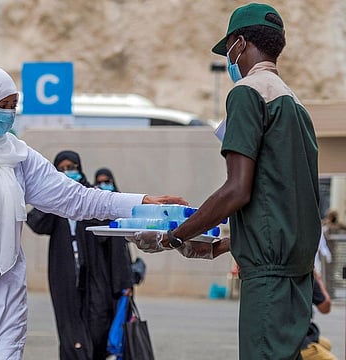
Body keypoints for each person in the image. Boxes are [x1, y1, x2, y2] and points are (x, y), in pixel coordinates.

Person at [0, 65, 185, 359]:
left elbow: (78, 199)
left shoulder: (18, 156)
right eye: (0, 105)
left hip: (4, 289)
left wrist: (141, 202)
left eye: (13, 106)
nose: (8, 114)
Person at [128, 4, 321, 359]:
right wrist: (222, 244)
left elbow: (237, 189)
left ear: (240, 43)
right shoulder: (295, 105)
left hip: (267, 284)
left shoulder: (248, 93)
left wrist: (174, 236)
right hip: (296, 282)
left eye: (229, 47)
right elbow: (283, 207)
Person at [27, 156, 135, 360]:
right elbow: (36, 223)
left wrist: (124, 283)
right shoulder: (55, 201)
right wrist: (53, 193)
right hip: (66, 276)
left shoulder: (91, 197)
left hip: (96, 275)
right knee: (70, 327)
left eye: (71, 167)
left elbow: (117, 247)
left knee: (98, 323)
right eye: (62, 169)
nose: (67, 172)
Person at [300, 270, 337, 360]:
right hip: (293, 339)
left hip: (271, 334)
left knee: (326, 344)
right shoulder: (304, 274)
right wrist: (318, 279)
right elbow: (325, 307)